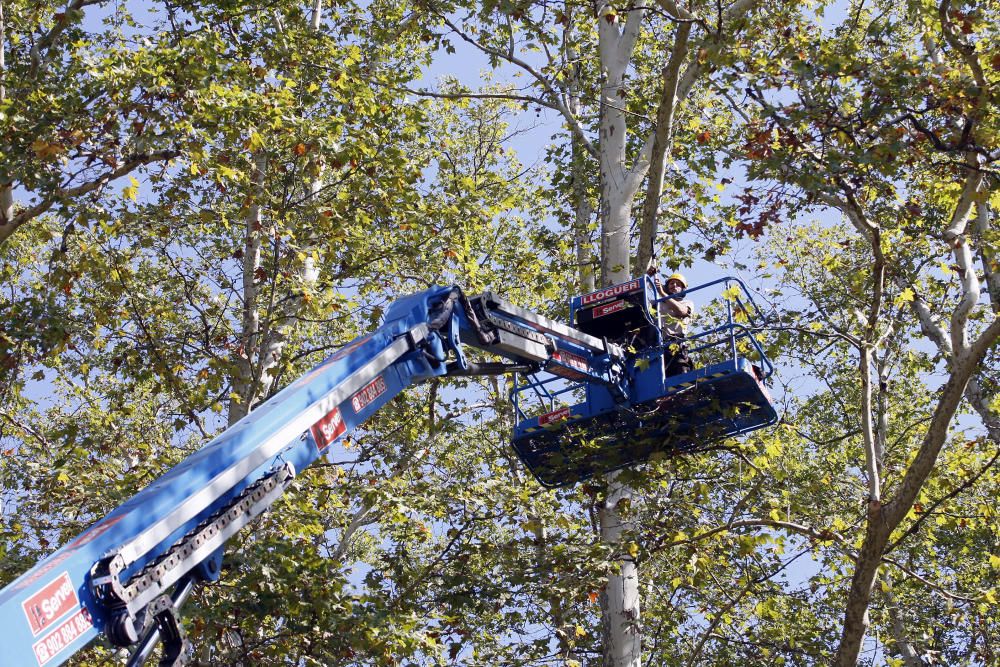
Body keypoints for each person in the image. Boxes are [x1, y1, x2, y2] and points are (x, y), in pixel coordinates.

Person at [652, 271, 694, 376]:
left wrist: (663, 294)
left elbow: (682, 311)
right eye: (671, 283)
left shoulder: (687, 303)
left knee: (680, 372)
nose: (674, 285)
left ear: (683, 289)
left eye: (678, 284)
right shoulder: (658, 304)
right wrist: (649, 274)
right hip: (657, 345)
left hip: (676, 345)